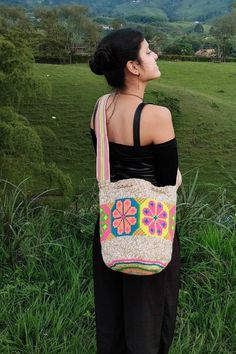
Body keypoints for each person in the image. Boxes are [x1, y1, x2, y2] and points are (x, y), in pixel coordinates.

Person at [89, 28, 181, 354]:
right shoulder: (158, 116)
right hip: (150, 231)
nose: (154, 55)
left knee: (112, 320)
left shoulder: (100, 109)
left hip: (112, 228)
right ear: (133, 67)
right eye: (148, 51)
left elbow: (107, 166)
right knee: (149, 321)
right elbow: (169, 180)